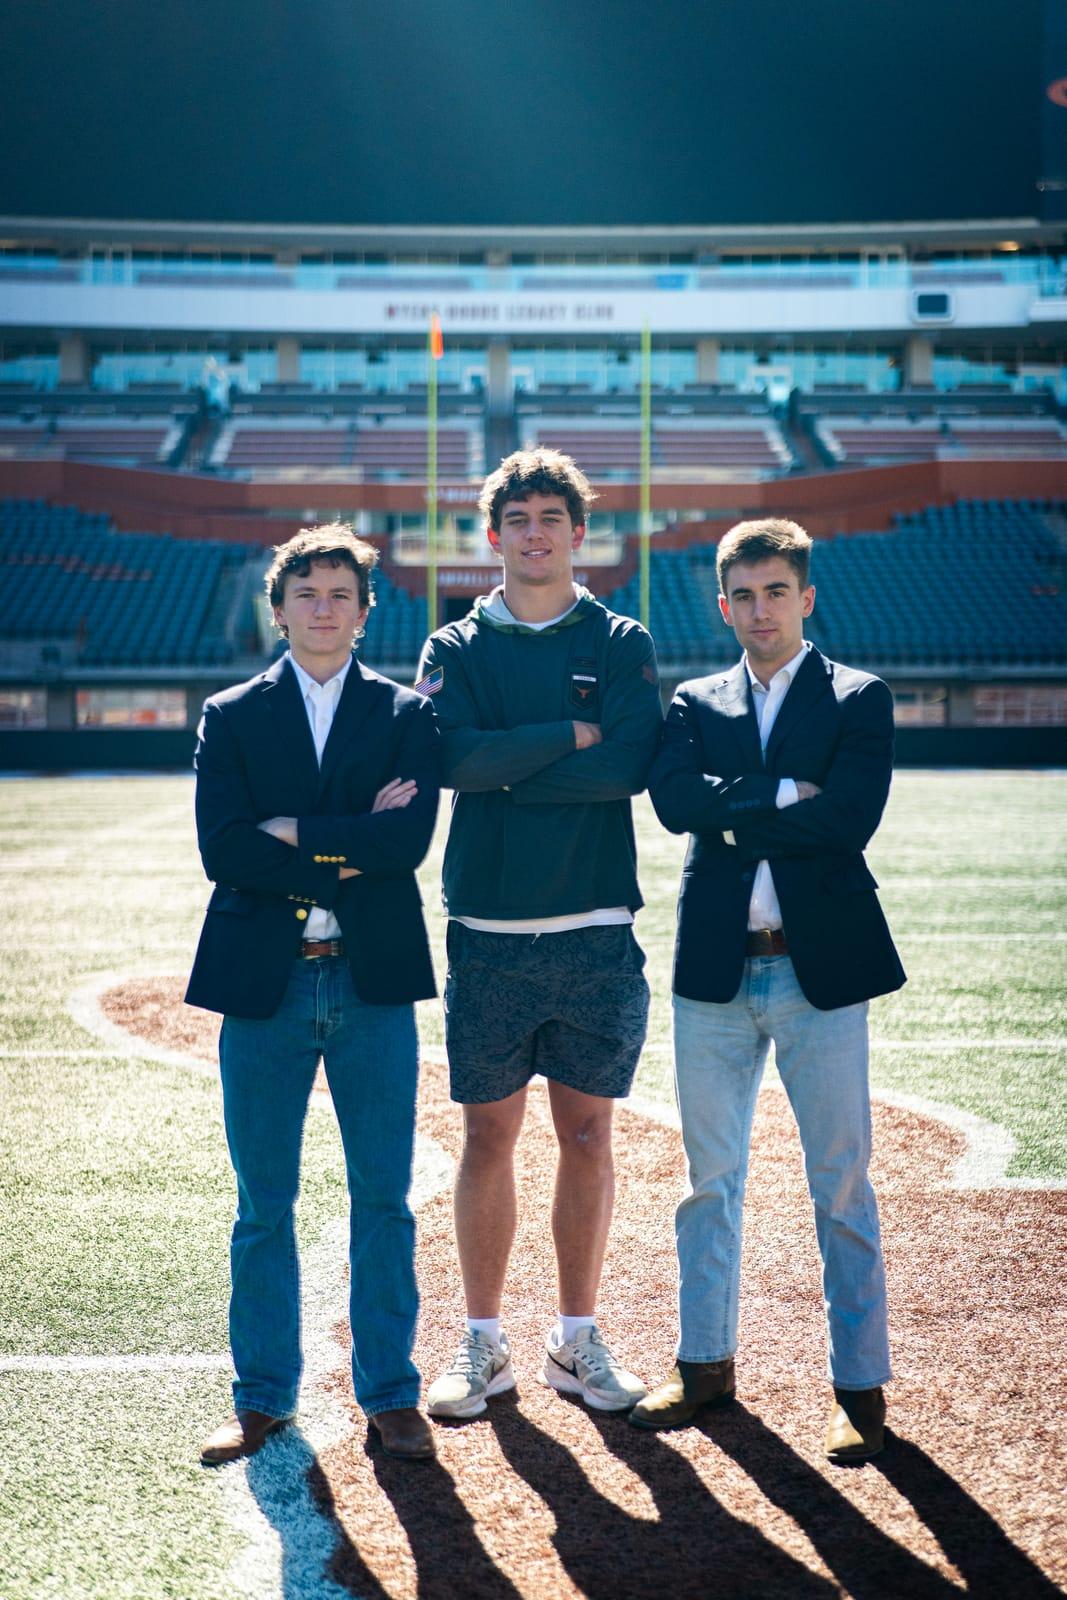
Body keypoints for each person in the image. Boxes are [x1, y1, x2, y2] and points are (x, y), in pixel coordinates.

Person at [632, 517, 905, 1461]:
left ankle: (858, 1389)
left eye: (775, 591)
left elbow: (849, 821)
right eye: (742, 595)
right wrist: (788, 792)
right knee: (708, 1182)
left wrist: (737, 804)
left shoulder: (857, 697)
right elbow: (674, 806)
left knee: (839, 1183)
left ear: (806, 597)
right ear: (722, 604)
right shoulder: (691, 700)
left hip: (817, 969)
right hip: (714, 970)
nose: (759, 609)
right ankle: (704, 1367)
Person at [415, 448, 662, 1420]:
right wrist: (566, 735)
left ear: (575, 531)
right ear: (493, 534)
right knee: (486, 1135)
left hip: (596, 927)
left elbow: (631, 765)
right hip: (486, 930)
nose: (533, 532)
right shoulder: (457, 645)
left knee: (589, 1134)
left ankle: (574, 1336)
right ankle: (481, 1342)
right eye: (515, 518)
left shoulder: (616, 637)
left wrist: (509, 764)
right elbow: (450, 763)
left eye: (549, 517)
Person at [187, 524, 440, 1464]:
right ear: (279, 607)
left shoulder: (408, 715)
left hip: (372, 984)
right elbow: (225, 849)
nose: (323, 608)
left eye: (342, 594)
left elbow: (405, 846)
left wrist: (294, 832)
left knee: (385, 1198)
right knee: (264, 1203)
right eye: (307, 593)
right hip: (267, 984)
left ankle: (390, 1394)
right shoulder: (233, 713)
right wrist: (346, 840)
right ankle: (261, 1398)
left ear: (367, 613)